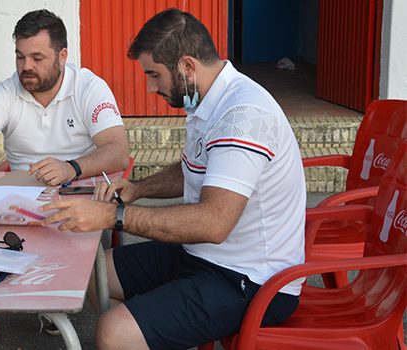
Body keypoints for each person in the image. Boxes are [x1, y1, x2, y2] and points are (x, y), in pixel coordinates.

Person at [42, 8, 306, 350]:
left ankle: (141, 334)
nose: (152, 87)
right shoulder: (209, 100)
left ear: (186, 66)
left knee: (114, 332)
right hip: (205, 256)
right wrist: (138, 189)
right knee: (97, 274)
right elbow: (194, 169)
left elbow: (214, 222)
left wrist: (112, 216)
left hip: (252, 279)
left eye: (154, 75)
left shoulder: (243, 116)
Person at [0, 9, 129, 199]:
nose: (26, 66)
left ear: (62, 56)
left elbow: (118, 151)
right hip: (21, 202)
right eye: (20, 57)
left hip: (82, 195)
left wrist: (71, 168)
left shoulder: (88, 87)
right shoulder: (7, 92)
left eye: (37, 58)